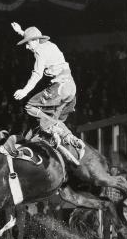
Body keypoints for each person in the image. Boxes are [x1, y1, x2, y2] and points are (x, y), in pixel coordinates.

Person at [11, 22, 85, 159]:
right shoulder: (50, 45)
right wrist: (21, 32)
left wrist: (24, 91)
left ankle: (54, 129)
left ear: (35, 41)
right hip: (71, 88)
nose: (27, 47)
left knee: (30, 106)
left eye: (28, 44)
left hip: (59, 88)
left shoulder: (39, 51)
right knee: (52, 117)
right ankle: (71, 138)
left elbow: (37, 74)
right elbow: (33, 38)